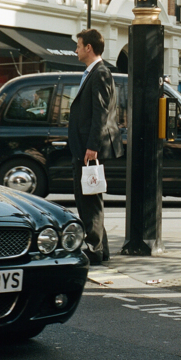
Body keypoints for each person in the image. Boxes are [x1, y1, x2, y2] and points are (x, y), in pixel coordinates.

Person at [68, 29, 123, 265]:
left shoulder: (99, 73)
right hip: (86, 146)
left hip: (90, 149)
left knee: (89, 200)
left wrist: (92, 147)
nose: (76, 49)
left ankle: (95, 250)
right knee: (91, 197)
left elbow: (100, 113)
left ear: (88, 47)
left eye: (79, 45)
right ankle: (102, 249)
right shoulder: (94, 72)